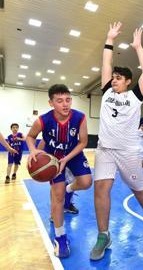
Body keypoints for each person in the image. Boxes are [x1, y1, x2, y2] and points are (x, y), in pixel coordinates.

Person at [91, 22, 143, 261]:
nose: (113, 80)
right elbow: (105, 63)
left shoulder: (135, 97)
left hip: (128, 151)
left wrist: (138, 47)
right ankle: (103, 235)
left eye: (119, 78)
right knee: (101, 189)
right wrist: (109, 39)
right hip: (104, 150)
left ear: (128, 81)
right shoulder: (106, 92)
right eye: (113, 78)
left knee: (139, 189)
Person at [26, 84, 92, 258]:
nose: (65, 104)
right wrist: (33, 150)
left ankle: (70, 190)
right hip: (53, 158)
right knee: (58, 195)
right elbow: (30, 136)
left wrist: (67, 158)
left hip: (72, 153)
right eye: (60, 101)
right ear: (51, 103)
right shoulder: (43, 120)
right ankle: (60, 237)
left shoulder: (80, 117)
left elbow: (83, 142)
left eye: (68, 100)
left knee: (86, 183)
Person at [37, 139, 79, 216]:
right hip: (56, 160)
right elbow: (44, 140)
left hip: (70, 158)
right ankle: (54, 212)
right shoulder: (52, 129)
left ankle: (67, 205)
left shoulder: (74, 128)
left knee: (71, 182)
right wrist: (37, 155)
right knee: (56, 184)